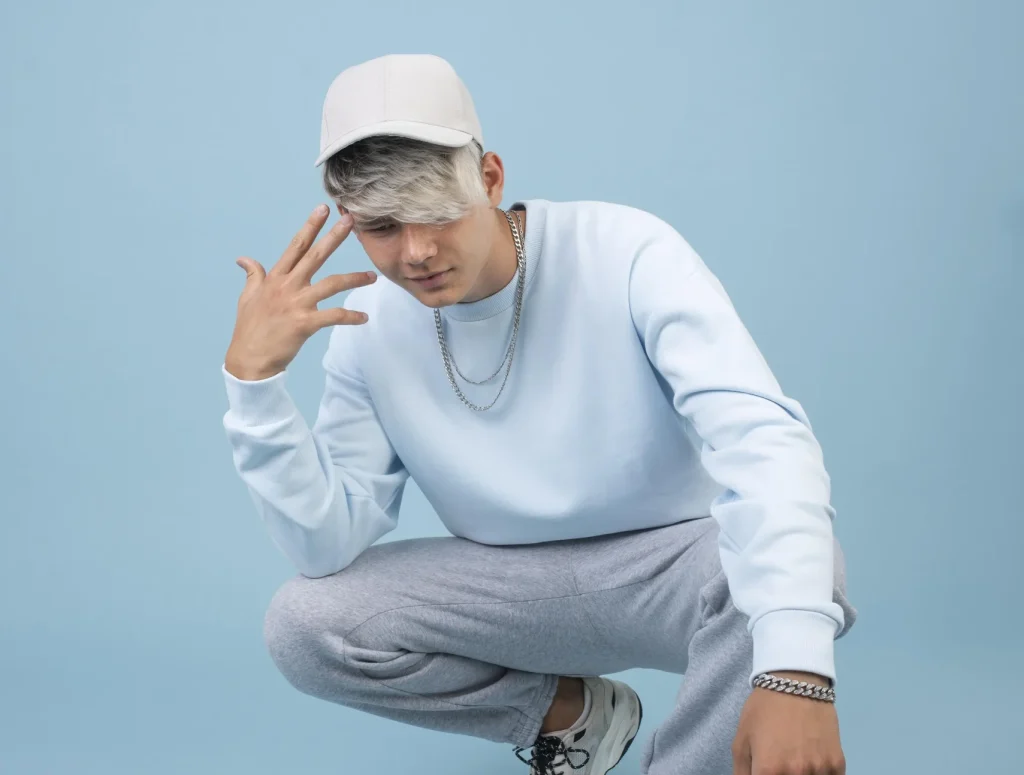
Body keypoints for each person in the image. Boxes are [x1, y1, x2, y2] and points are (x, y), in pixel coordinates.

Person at [221, 53, 857, 775]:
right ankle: (576, 716)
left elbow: (765, 440)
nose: (418, 251)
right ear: (350, 220)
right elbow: (324, 546)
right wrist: (256, 383)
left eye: (438, 212)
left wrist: (798, 672)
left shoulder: (625, 251)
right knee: (305, 623)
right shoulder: (369, 321)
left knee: (793, 569)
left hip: (672, 569)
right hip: (506, 590)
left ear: (490, 177)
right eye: (384, 226)